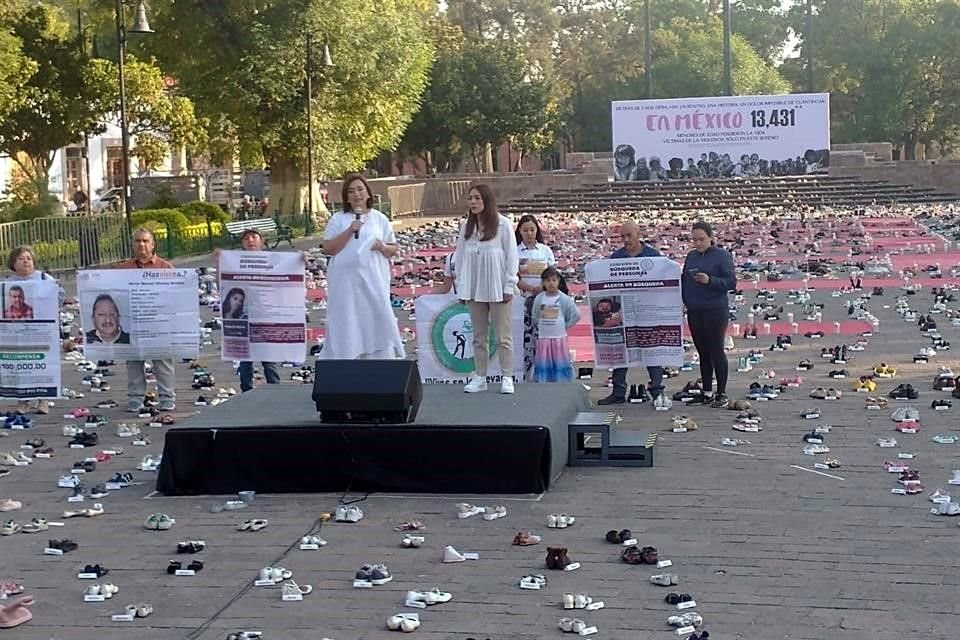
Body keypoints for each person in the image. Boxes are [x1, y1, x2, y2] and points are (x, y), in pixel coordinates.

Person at [319, 174, 403, 359]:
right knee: (348, 319)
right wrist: (350, 230)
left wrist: (382, 246)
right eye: (351, 191)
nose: (356, 194)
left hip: (373, 279)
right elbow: (328, 248)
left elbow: (393, 248)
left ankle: (380, 358)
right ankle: (347, 357)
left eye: (360, 189)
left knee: (375, 318)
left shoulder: (379, 218)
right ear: (346, 197)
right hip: (345, 283)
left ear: (367, 193)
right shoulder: (338, 219)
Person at [452, 184, 520, 394]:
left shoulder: (503, 224)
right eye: (470, 198)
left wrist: (510, 284)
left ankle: (507, 376)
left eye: (477, 198)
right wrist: (462, 287)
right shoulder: (466, 227)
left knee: (503, 336)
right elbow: (461, 258)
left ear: (487, 201)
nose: (473, 202)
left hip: (498, 287)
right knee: (478, 336)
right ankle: (480, 376)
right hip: (474, 288)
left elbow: (511, 256)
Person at [598, 220, 665, 405]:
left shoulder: (653, 255)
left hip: (647, 310)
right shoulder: (616, 257)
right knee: (621, 350)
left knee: (651, 350)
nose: (626, 240)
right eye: (622, 236)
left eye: (629, 235)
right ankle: (618, 392)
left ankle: (657, 390)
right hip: (624, 311)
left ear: (638, 234)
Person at [115, 228, 176, 412]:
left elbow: (177, 295)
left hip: (158, 322)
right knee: (133, 361)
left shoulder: (166, 268)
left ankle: (167, 397)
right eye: (137, 241)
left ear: (153, 244)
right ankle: (136, 398)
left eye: (145, 241)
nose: (141, 244)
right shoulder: (123, 269)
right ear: (133, 244)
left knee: (163, 361)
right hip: (132, 323)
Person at [216, 229, 282, 392]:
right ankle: (247, 390)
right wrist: (218, 263)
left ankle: (275, 389)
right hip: (244, 317)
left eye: (254, 237)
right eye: (246, 238)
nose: (250, 240)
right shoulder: (235, 262)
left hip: (265, 315)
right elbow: (222, 285)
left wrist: (300, 261)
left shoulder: (272, 260)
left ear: (262, 241)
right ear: (242, 244)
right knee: (245, 358)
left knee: (268, 357)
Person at [682, 221, 736, 408]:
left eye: (701, 239)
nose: (698, 243)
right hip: (695, 309)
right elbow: (685, 281)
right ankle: (706, 392)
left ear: (711, 238)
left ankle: (721, 393)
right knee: (702, 352)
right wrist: (685, 301)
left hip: (715, 309)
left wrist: (710, 280)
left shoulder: (722, 256)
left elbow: (731, 282)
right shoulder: (691, 257)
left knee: (716, 350)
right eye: (694, 240)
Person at [5, 245, 64, 415]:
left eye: (28, 258)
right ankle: (23, 401)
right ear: (13, 263)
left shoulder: (45, 278)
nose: (25, 261)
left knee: (43, 364)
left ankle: (43, 400)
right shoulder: (7, 283)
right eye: (21, 259)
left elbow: (59, 298)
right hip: (18, 333)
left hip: (42, 331)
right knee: (21, 365)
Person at [515, 215, 556, 380]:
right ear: (519, 231)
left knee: (546, 337)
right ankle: (527, 374)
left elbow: (553, 275)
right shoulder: (515, 252)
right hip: (523, 301)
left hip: (545, 301)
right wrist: (531, 288)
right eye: (525, 230)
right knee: (527, 339)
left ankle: (547, 372)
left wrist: (544, 287)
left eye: (532, 230)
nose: (529, 233)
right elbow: (514, 278)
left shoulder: (545, 251)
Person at [531, 266, 580, 382]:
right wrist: (541, 326)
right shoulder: (539, 298)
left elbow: (576, 315)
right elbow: (535, 315)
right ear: (543, 283)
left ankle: (562, 380)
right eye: (548, 280)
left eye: (554, 280)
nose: (551, 283)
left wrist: (565, 326)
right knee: (544, 360)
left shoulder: (564, 299)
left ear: (558, 281)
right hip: (544, 338)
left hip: (559, 338)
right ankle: (543, 380)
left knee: (560, 360)